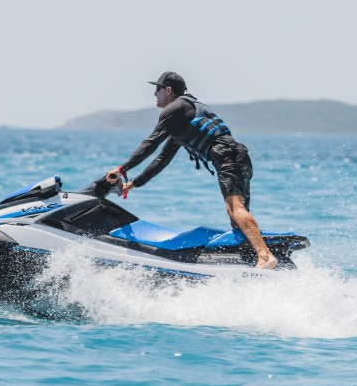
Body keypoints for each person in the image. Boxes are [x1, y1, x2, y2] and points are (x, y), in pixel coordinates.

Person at [104, 71, 279, 269]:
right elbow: (162, 159)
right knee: (235, 216)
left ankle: (265, 257)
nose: (154, 94)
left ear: (168, 90)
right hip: (237, 157)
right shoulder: (184, 116)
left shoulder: (176, 108)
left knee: (235, 209)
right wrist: (133, 184)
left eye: (157, 89)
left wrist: (122, 168)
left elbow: (151, 142)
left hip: (228, 157)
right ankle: (248, 259)